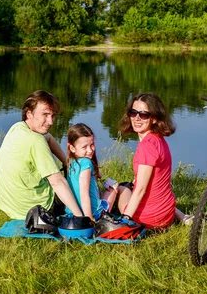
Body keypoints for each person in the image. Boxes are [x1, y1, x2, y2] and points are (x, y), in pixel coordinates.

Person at [0, 90, 83, 220]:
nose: (51, 122)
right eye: (45, 115)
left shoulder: (18, 127)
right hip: (36, 208)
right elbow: (57, 182)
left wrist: (66, 161)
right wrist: (80, 217)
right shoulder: (36, 141)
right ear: (29, 114)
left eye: (52, 115)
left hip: (9, 205)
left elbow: (47, 137)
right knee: (79, 185)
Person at [117, 92, 191, 229]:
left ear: (155, 119)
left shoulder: (147, 146)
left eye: (144, 114)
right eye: (133, 113)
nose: (137, 118)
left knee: (122, 189)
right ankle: (182, 217)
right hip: (166, 212)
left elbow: (141, 189)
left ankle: (129, 214)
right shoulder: (158, 139)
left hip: (151, 219)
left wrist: (125, 219)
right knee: (133, 186)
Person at [64, 123, 131, 221]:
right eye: (84, 147)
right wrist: (90, 220)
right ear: (72, 148)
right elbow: (84, 195)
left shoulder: (72, 163)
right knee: (115, 189)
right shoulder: (86, 163)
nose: (90, 150)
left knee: (102, 188)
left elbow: (96, 174)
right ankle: (123, 214)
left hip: (72, 212)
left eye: (92, 145)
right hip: (93, 214)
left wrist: (104, 180)